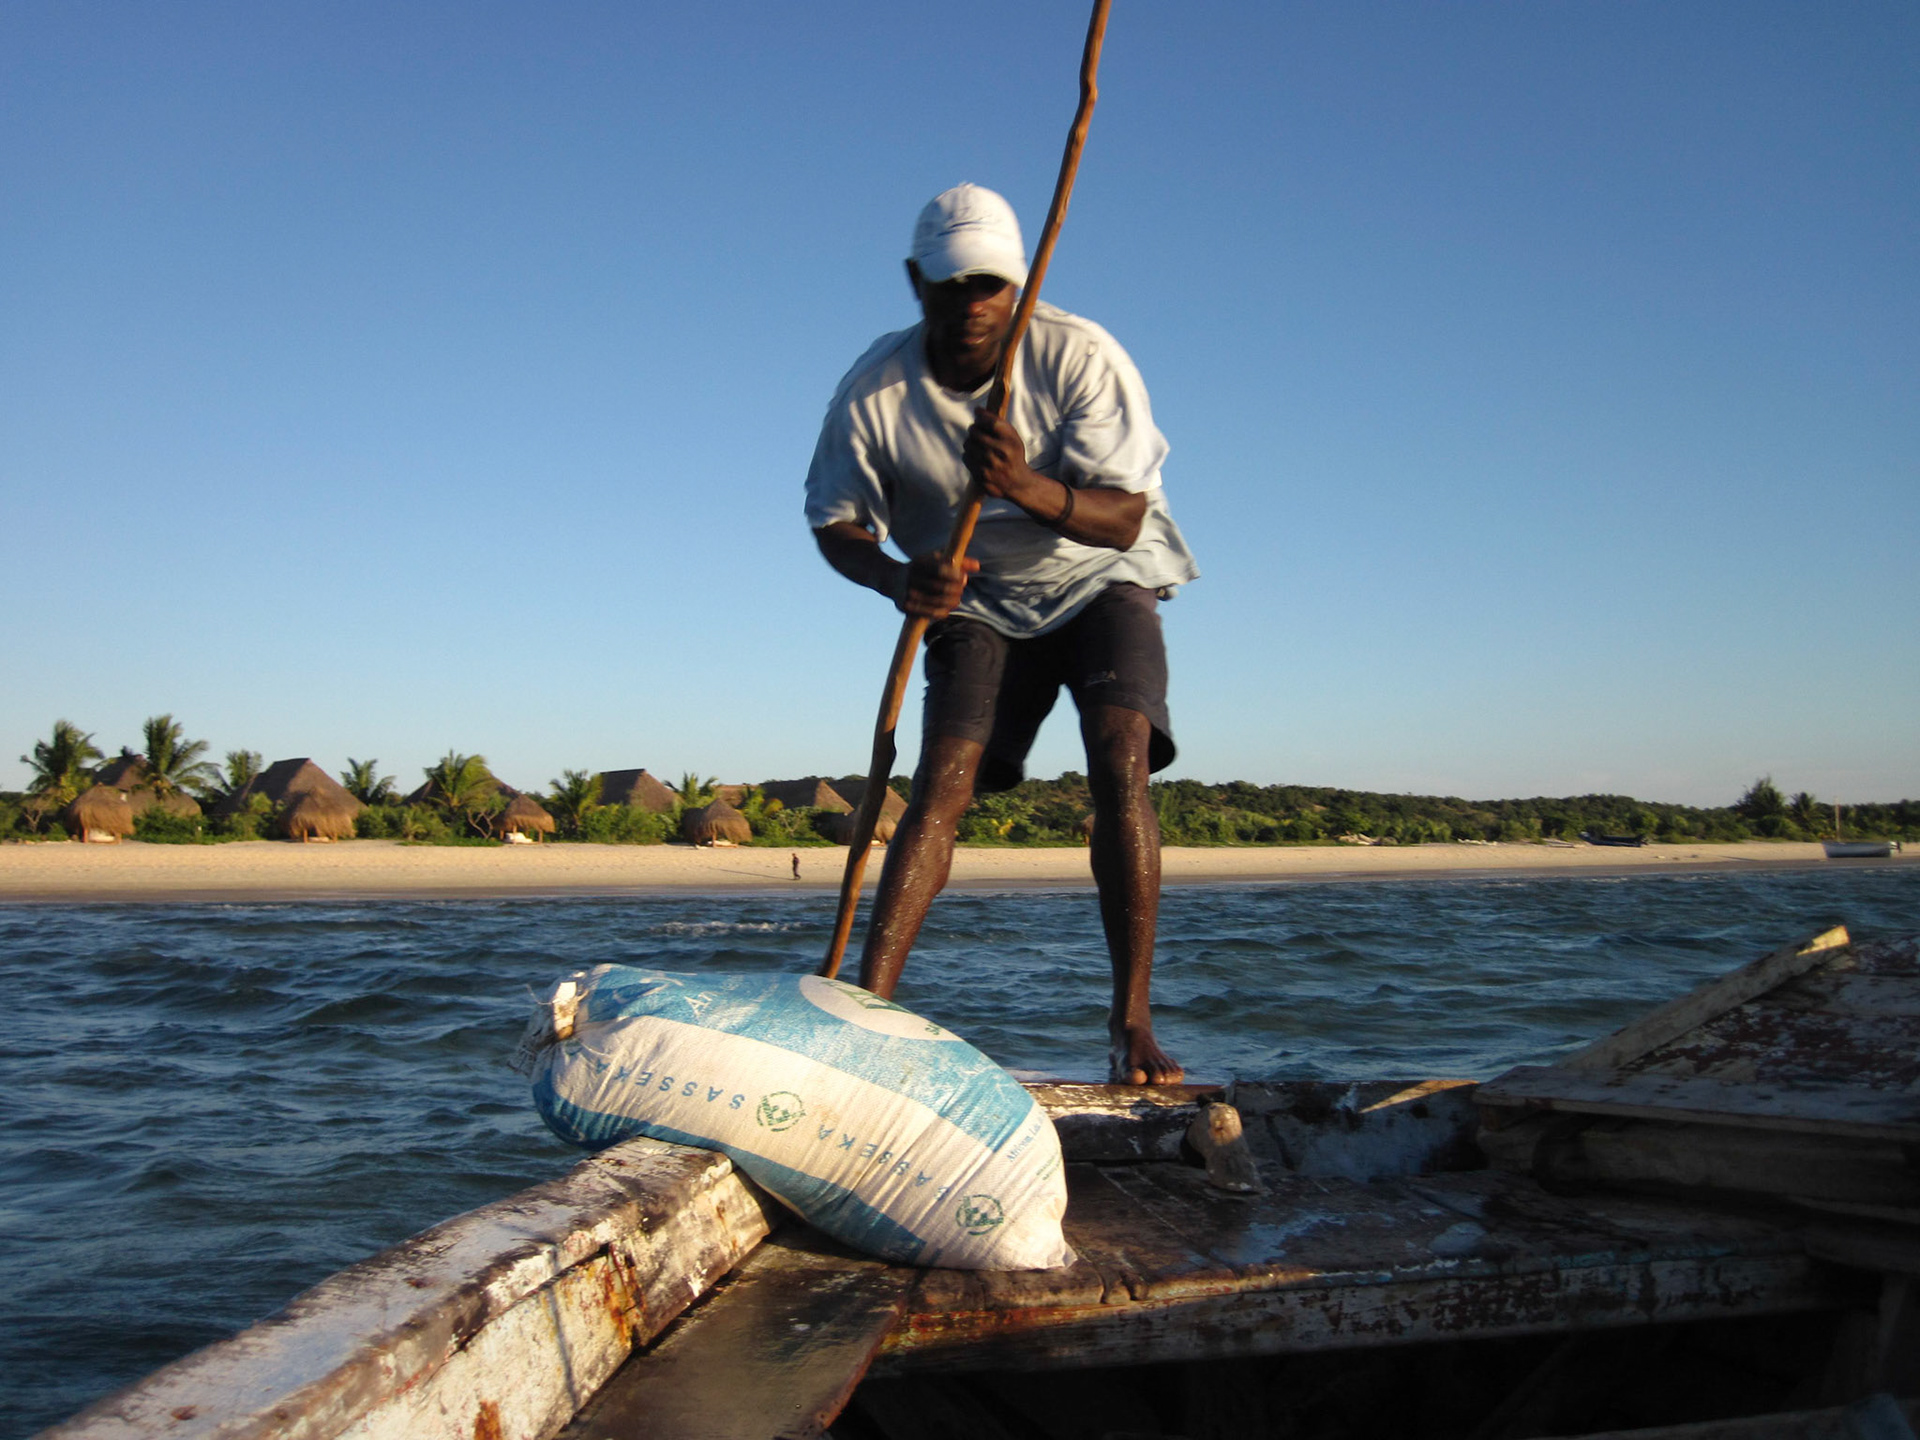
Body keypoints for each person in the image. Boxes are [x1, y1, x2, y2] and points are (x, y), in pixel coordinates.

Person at [805, 184, 1199, 1085]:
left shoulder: (1081, 356)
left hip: (1100, 577)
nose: (972, 304)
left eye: (990, 285)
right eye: (952, 285)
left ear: (1018, 286)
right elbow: (835, 521)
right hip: (972, 595)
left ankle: (1131, 1022)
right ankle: (871, 1013)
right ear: (917, 284)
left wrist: (1025, 487)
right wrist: (900, 577)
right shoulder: (875, 390)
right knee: (942, 778)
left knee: (1118, 755)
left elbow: (1126, 520)